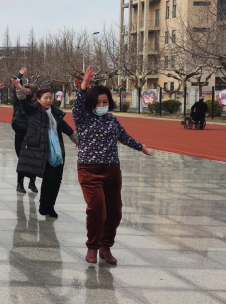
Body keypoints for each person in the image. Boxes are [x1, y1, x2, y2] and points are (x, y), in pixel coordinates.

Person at [74, 65, 153, 265]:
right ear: (91, 103)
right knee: (97, 208)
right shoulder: (83, 118)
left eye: (105, 102)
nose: (102, 105)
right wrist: (83, 86)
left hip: (112, 170)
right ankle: (92, 247)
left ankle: (105, 246)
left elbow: (123, 136)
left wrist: (140, 147)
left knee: (115, 211)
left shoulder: (111, 119)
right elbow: (77, 107)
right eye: (98, 102)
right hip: (89, 170)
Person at [12, 79, 78, 218]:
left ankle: (51, 207)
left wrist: (77, 140)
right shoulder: (33, 110)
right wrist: (19, 90)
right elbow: (23, 103)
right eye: (45, 98)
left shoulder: (55, 113)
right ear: (39, 99)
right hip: (42, 151)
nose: (48, 100)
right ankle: (44, 205)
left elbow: (66, 128)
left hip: (57, 151)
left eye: (50, 98)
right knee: (49, 178)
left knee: (56, 180)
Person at [11, 67, 39, 194]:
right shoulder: (18, 101)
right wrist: (19, 76)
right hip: (21, 133)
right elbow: (16, 88)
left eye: (29, 91)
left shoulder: (35, 105)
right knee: (22, 159)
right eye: (24, 90)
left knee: (33, 159)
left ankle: (32, 182)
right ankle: (20, 183)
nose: (26, 92)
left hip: (32, 134)